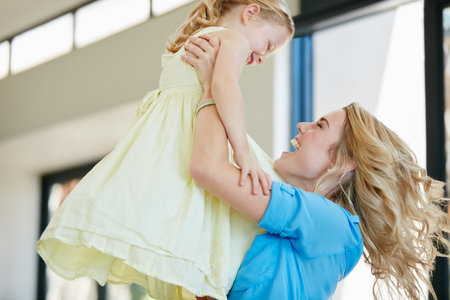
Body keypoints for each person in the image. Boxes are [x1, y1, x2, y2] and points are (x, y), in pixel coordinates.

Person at [36, 1, 294, 299]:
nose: (263, 57)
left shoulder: (193, 42)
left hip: (168, 151)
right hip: (195, 138)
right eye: (269, 45)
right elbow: (225, 88)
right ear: (251, 13)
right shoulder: (232, 39)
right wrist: (242, 153)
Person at [182, 35, 450, 299]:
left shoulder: (336, 225)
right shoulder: (295, 226)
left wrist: (212, 86)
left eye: (320, 126)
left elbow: (207, 168)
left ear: (343, 161)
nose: (302, 125)